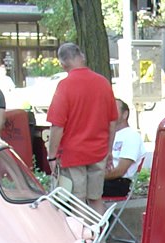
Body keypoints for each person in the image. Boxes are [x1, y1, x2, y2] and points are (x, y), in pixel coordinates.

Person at [46, 42, 118, 215]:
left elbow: (57, 126)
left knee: (77, 198)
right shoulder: (103, 83)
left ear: (63, 64)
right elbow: (112, 122)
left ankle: (85, 239)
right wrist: (109, 151)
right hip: (98, 150)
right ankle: (99, 239)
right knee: (96, 197)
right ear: (82, 57)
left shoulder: (65, 86)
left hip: (73, 153)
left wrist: (52, 156)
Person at [103, 99, 144, 198]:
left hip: (116, 183)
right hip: (102, 180)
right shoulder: (107, 135)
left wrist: (93, 176)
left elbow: (120, 171)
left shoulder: (131, 136)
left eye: (113, 109)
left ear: (125, 114)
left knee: (76, 189)